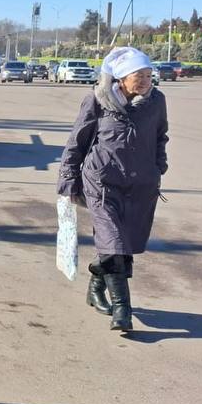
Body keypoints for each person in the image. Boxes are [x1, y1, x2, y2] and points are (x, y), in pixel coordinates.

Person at [58, 46, 168, 332]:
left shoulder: (156, 101)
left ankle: (96, 286)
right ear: (121, 78)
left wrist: (159, 167)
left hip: (140, 185)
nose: (145, 81)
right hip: (102, 184)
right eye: (138, 75)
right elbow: (76, 143)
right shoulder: (97, 101)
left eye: (148, 74)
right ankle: (123, 309)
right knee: (113, 241)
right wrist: (69, 180)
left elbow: (160, 136)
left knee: (125, 243)